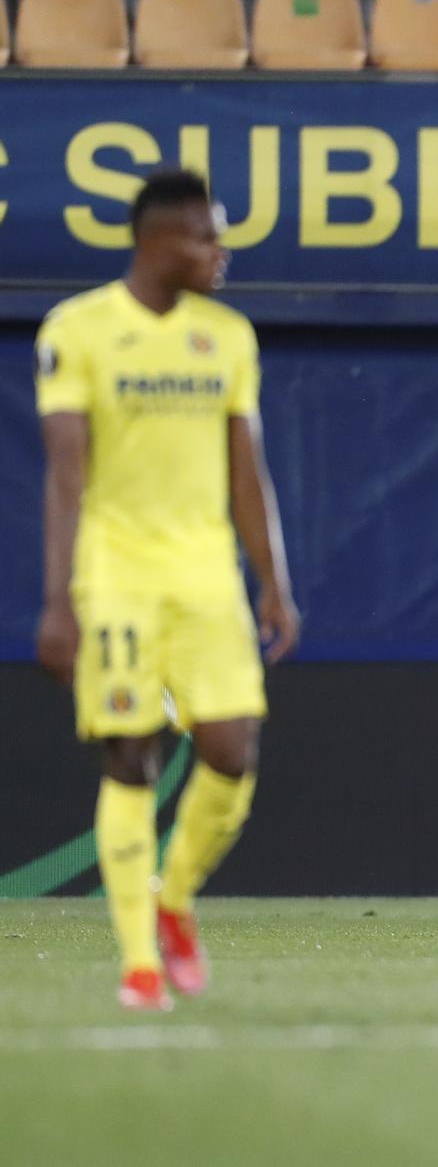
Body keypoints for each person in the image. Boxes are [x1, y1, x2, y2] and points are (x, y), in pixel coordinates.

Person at [34, 169, 300, 1011]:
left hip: (204, 575)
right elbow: (65, 478)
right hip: (115, 576)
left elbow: (246, 470)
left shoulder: (225, 336)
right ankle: (140, 962)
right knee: (131, 753)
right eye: (204, 237)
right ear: (155, 242)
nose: (219, 253)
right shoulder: (77, 329)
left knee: (232, 751)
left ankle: (174, 899)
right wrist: (58, 599)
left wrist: (273, 583)